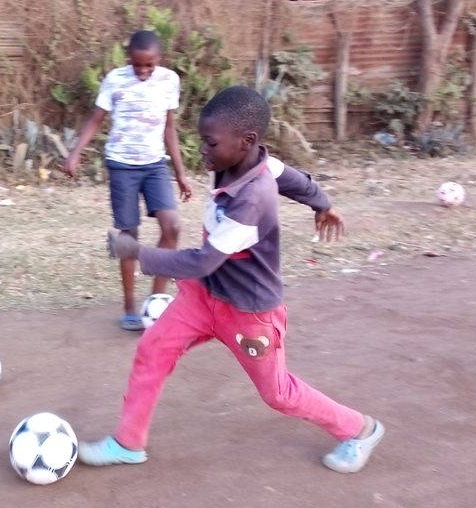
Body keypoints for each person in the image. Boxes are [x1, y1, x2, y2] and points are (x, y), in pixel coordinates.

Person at [78, 86, 384, 474]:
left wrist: (136, 251)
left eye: (210, 143)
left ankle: (360, 429)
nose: (202, 151)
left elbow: (204, 260)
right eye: (201, 141)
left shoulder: (252, 198)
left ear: (247, 141)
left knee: (278, 393)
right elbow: (291, 178)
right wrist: (323, 204)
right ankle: (128, 442)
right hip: (203, 296)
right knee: (152, 350)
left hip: (247, 313)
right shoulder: (246, 162)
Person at [62, 30, 192, 332]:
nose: (143, 71)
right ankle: (130, 307)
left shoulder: (169, 80)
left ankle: (157, 301)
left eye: (149, 65)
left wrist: (181, 173)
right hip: (121, 165)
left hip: (155, 165)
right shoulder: (115, 79)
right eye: (137, 65)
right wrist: (75, 153)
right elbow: (96, 119)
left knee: (172, 227)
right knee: (128, 237)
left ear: (159, 59)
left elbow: (169, 128)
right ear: (128, 59)